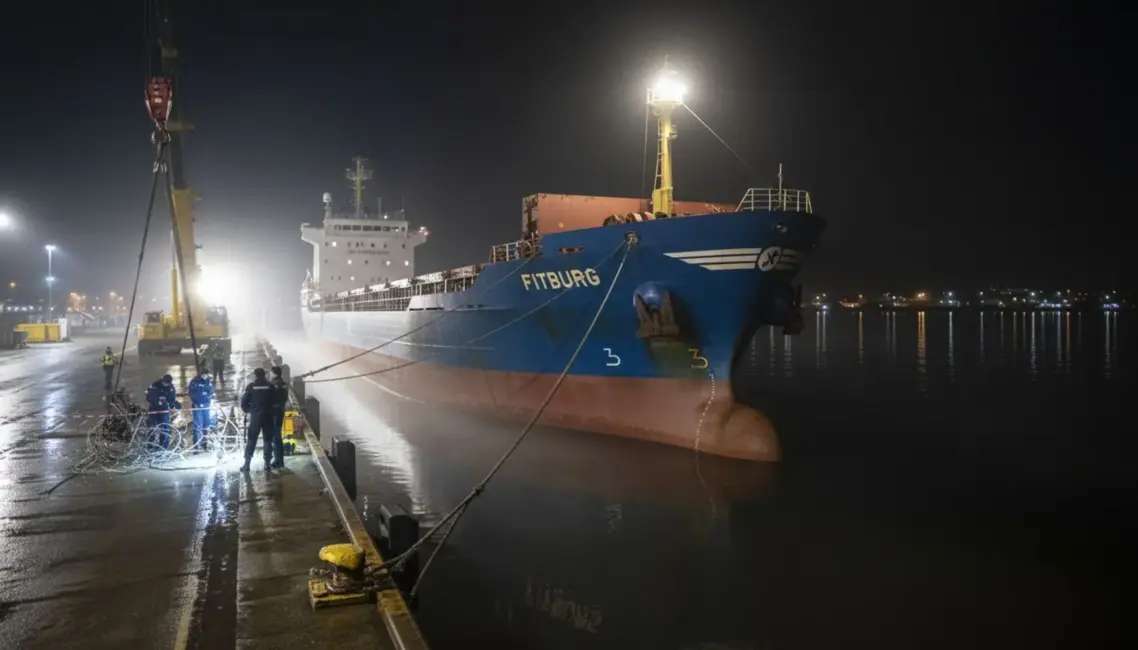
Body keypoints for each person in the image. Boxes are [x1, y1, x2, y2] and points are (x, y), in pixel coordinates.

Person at [240, 367, 274, 472]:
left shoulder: (252, 386)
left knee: (251, 439)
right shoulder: (270, 386)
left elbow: (244, 402)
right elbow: (276, 400)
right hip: (268, 416)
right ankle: (267, 464)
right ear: (264, 375)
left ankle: (247, 465)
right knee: (267, 440)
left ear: (255, 375)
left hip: (256, 417)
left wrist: (250, 410)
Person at [145, 374, 180, 449]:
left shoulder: (171, 388)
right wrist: (157, 400)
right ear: (162, 380)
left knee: (165, 429)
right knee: (152, 428)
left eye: (168, 383)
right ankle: (149, 447)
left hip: (164, 411)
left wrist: (171, 406)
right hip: (153, 410)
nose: (166, 384)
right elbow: (148, 397)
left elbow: (172, 399)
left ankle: (164, 447)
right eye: (165, 382)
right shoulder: (155, 385)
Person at [188, 365, 215, 450]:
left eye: (206, 375)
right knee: (197, 426)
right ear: (201, 374)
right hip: (197, 406)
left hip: (206, 406)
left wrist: (209, 399)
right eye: (203, 374)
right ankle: (196, 447)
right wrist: (196, 402)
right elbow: (191, 393)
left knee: (205, 426)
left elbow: (211, 392)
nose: (205, 376)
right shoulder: (194, 381)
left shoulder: (208, 382)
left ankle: (204, 445)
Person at [267, 366, 288, 468]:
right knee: (277, 436)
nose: (269, 374)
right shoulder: (283, 383)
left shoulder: (275, 384)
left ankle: (278, 461)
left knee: (276, 437)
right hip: (280, 412)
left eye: (270, 373)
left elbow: (273, 398)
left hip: (275, 413)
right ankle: (279, 460)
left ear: (274, 373)